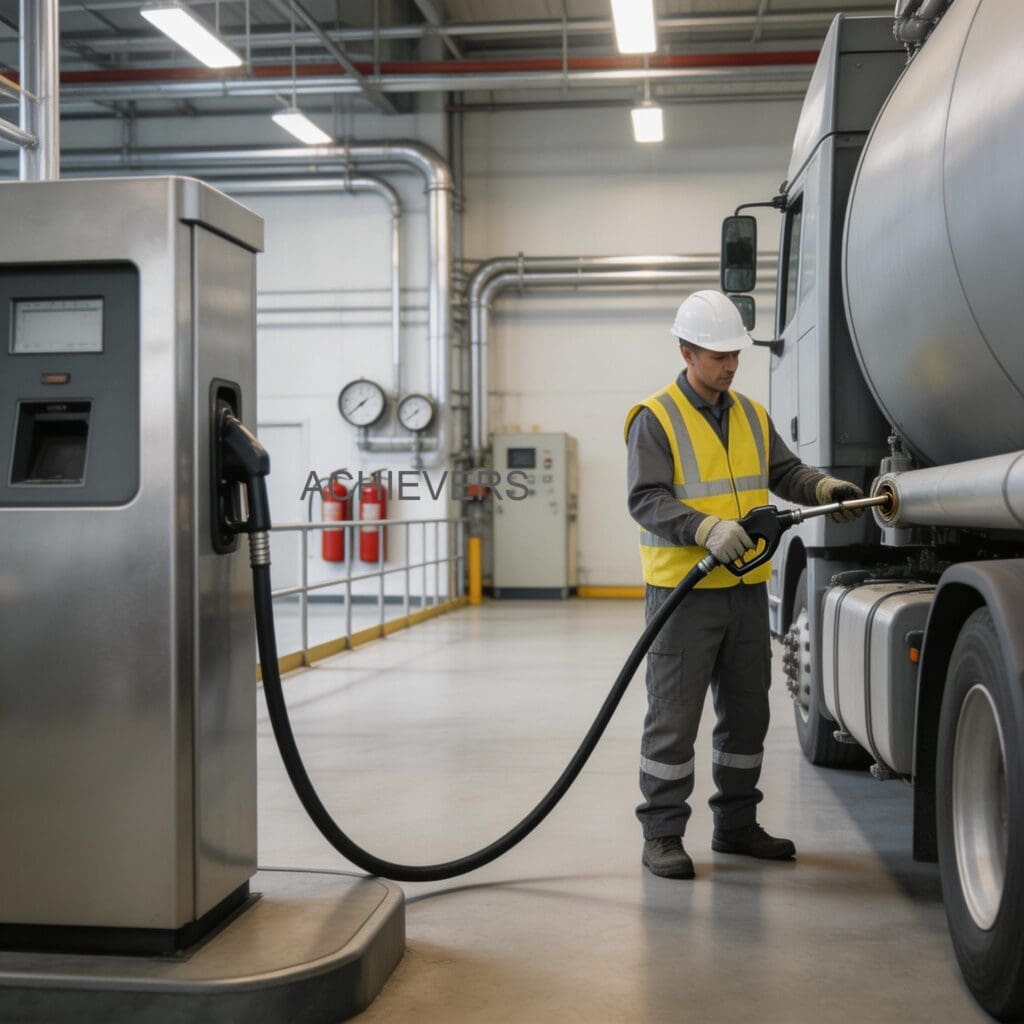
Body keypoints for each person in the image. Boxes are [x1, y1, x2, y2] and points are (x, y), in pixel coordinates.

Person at [625, 289, 864, 880]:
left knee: (747, 716)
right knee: (674, 719)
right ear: (686, 352)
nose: (730, 364)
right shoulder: (654, 418)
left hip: (746, 592)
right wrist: (702, 528)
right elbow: (645, 498)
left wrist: (825, 489)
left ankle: (735, 825)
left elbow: (785, 472)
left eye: (735, 353)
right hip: (684, 597)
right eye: (717, 355)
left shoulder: (752, 414)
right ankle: (662, 834)